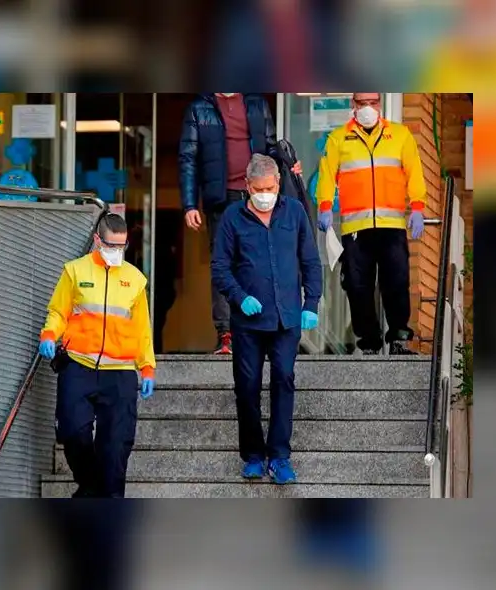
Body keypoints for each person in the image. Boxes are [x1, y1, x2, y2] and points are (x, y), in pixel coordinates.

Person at [211, 154, 323, 484]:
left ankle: (279, 456)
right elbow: (219, 267)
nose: (264, 194)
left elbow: (310, 261)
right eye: (258, 188)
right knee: (246, 387)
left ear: (278, 184)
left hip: (286, 318)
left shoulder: (294, 212)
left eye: (270, 188)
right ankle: (254, 456)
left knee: (284, 379)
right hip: (247, 323)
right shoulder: (233, 218)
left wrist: (311, 303)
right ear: (247, 187)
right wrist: (238, 296)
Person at [38, 213, 155, 498]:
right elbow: (59, 311)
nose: (116, 252)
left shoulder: (135, 280)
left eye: (122, 246)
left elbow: (142, 329)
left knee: (115, 448)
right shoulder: (75, 272)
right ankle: (91, 487)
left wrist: (147, 367)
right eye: (111, 245)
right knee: (72, 432)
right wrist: (49, 334)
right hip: (79, 365)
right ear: (97, 240)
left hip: (120, 372)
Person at [179, 93, 304, 354]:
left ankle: (267, 328)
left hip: (257, 195)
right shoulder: (199, 108)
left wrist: (287, 164)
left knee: (263, 261)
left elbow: (270, 148)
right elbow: (188, 158)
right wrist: (190, 204)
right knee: (223, 263)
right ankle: (226, 333)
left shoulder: (256, 103)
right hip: (221, 198)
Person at [315, 92, 427, 355]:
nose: (367, 107)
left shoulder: (400, 135)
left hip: (392, 225)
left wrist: (418, 206)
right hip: (356, 228)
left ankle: (399, 336)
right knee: (357, 286)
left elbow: (414, 171)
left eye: (372, 102)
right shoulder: (338, 138)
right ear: (353, 105)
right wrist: (324, 206)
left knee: (397, 282)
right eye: (362, 103)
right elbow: (327, 174)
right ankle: (369, 343)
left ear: (380, 104)